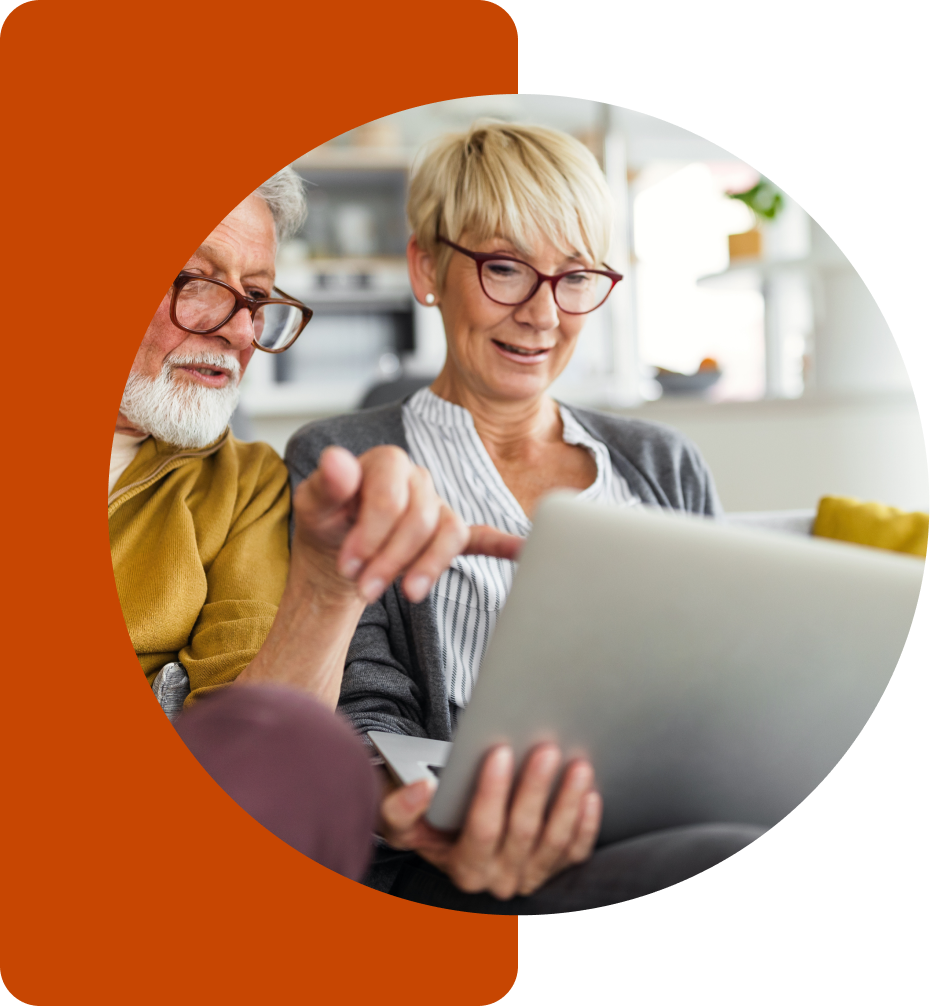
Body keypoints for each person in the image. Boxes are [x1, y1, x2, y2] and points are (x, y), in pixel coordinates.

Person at [286, 121, 764, 910]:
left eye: (575, 277)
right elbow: (362, 719)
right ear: (426, 266)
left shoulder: (663, 461)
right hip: (455, 851)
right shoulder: (344, 458)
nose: (544, 314)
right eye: (505, 268)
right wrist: (420, 805)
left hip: (651, 812)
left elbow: (723, 674)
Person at [109, 168, 521, 878]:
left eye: (258, 296)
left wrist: (329, 589)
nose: (240, 328)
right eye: (197, 279)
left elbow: (260, 763)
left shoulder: (245, 486)